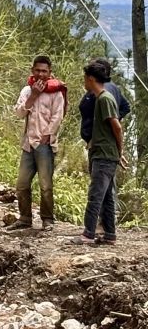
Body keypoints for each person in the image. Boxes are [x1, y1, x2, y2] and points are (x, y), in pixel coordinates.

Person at [70, 60, 127, 245]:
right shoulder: (101, 98)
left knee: (95, 195)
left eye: (85, 78)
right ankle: (110, 234)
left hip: (104, 155)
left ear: (91, 79)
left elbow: (117, 127)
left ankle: (88, 234)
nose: (84, 82)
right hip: (103, 153)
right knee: (108, 197)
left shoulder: (104, 98)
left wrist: (119, 151)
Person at [8, 55, 66, 231]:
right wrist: (33, 96)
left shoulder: (56, 93)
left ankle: (47, 219)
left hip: (45, 144)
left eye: (44, 71)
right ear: (32, 71)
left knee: (45, 184)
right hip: (28, 144)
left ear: (50, 73)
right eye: (38, 70)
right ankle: (25, 218)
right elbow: (19, 113)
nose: (41, 74)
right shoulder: (26, 91)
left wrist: (47, 135)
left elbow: (58, 116)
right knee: (22, 184)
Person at [78, 60, 131, 144]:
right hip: (106, 139)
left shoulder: (100, 93)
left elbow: (86, 109)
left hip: (99, 140)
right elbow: (126, 107)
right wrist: (113, 119)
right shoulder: (114, 87)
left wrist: (111, 121)